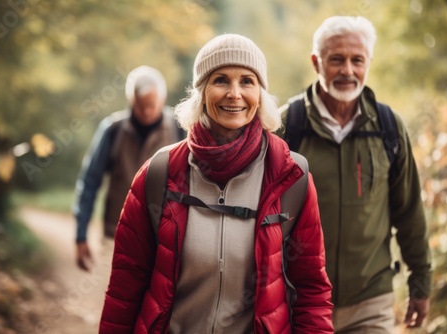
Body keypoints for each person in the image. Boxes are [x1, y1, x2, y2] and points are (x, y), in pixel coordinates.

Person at [99, 33, 333, 333]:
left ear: (260, 93)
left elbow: (311, 289)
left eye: (247, 81)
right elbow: (125, 286)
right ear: (201, 92)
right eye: (221, 80)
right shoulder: (159, 173)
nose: (234, 93)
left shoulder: (291, 176)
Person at [279, 16, 432, 333]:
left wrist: (421, 281)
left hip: (370, 302)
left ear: (368, 63)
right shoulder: (286, 126)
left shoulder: (389, 127)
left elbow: (408, 212)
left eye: (357, 60)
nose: (347, 70)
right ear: (316, 62)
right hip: (297, 301)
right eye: (336, 59)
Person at [73, 65, 183, 272]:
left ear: (163, 99)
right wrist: (80, 236)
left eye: (153, 105)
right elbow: (89, 182)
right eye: (141, 106)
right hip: (115, 235)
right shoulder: (112, 129)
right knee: (114, 299)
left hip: (163, 239)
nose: (147, 112)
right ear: (131, 101)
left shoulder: (179, 129)